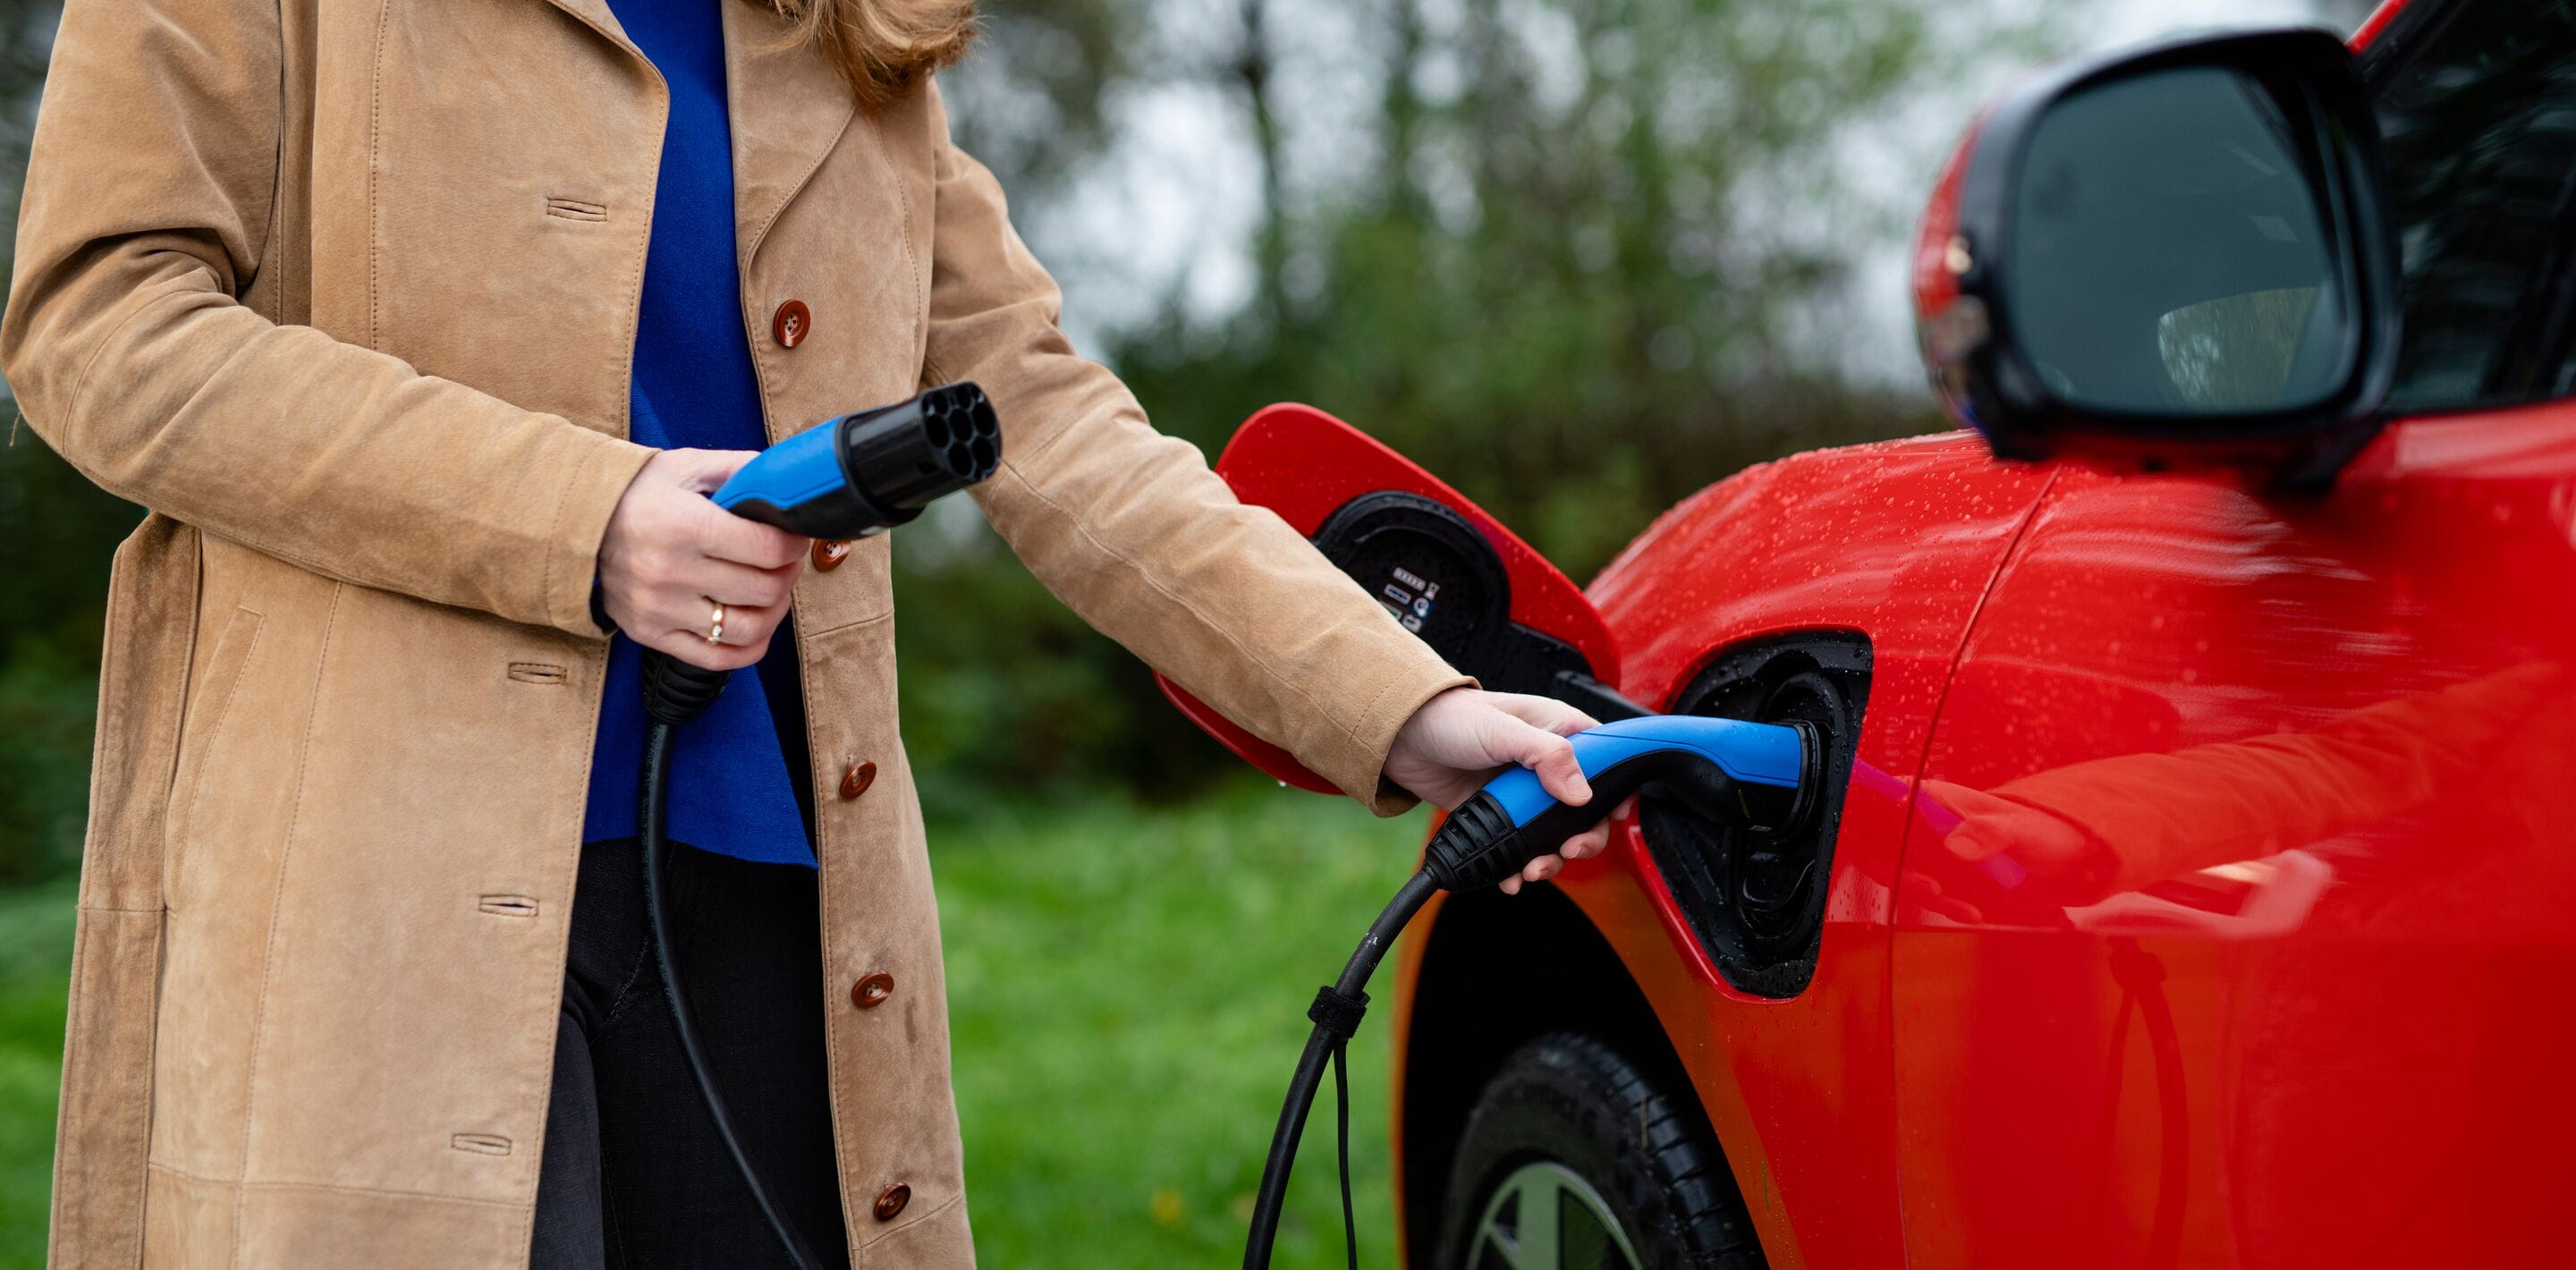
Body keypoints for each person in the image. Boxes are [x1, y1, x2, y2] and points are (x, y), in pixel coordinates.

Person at [0, 0, 1622, 1265]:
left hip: (763, 896)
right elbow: (103, 324)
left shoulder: (846, 30)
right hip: (364, 897)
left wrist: (1401, 703)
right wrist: (583, 517)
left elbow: (1048, 420)